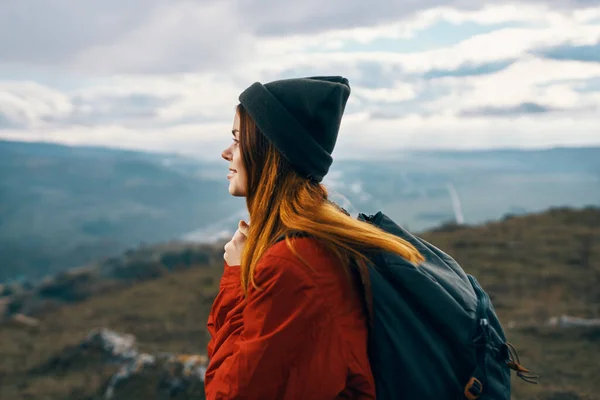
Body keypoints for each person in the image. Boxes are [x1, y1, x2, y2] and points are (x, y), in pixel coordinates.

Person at [204, 76, 424, 399]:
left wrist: (238, 280)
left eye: (237, 140)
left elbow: (228, 393)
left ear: (267, 151)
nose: (226, 153)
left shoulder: (291, 265)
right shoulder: (316, 237)